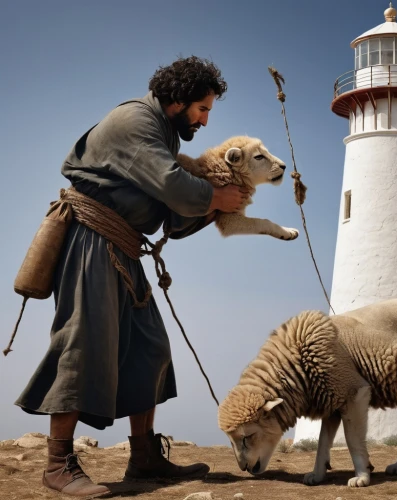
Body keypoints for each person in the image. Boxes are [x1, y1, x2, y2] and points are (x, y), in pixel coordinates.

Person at [15, 56, 248, 497]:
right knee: (82, 342)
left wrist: (218, 201)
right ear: (178, 100)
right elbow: (175, 188)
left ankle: (142, 457)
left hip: (121, 247)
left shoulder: (161, 134)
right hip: (91, 239)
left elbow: (172, 214)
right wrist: (216, 195)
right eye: (203, 109)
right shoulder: (136, 122)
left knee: (150, 346)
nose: (205, 120)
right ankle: (57, 463)